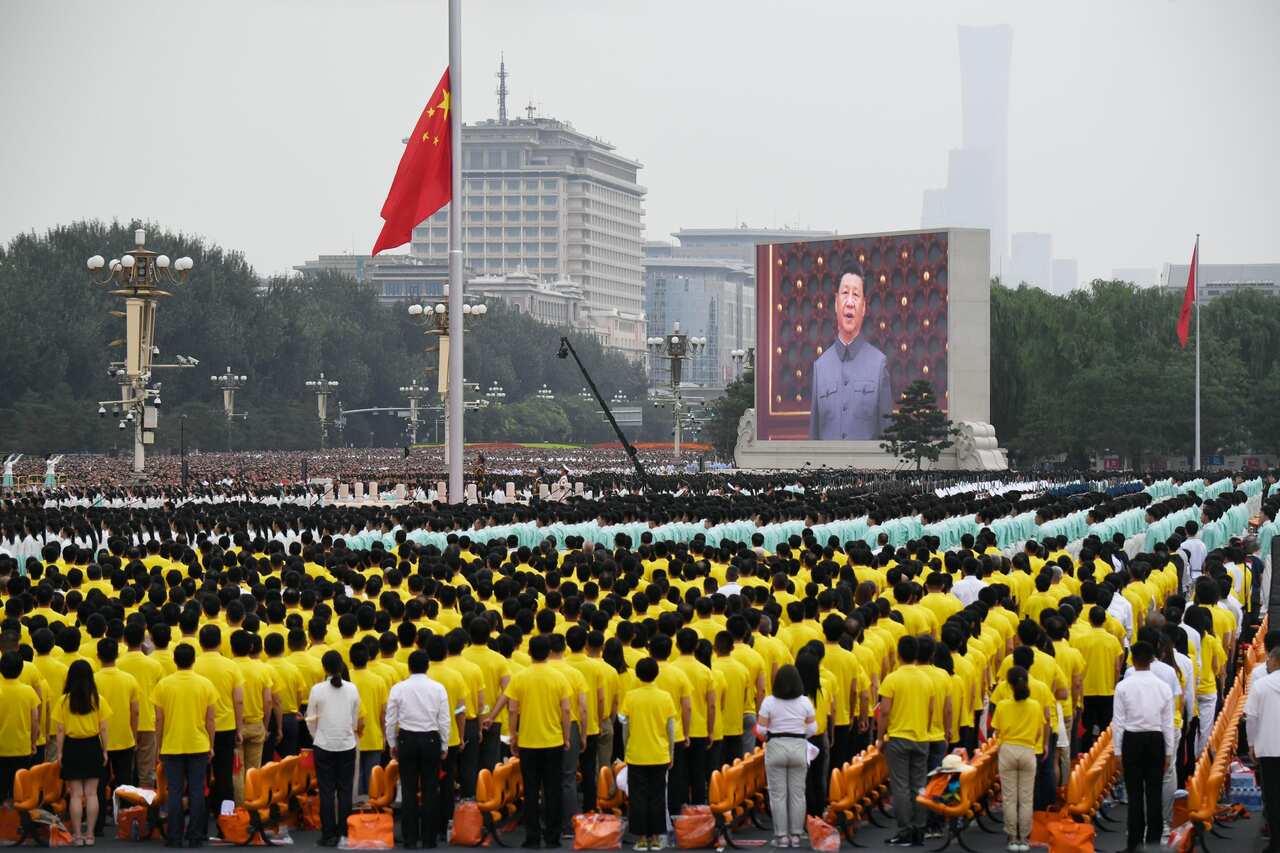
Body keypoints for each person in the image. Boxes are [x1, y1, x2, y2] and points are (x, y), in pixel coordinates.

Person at [491, 634, 573, 849]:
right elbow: (566, 710)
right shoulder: (559, 678)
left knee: (530, 790)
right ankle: (553, 836)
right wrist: (566, 736)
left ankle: (532, 837)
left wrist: (513, 736)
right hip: (553, 741)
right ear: (548, 653)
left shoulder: (520, 677)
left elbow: (513, 710)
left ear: (529, 653)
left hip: (528, 741)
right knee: (553, 789)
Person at [807, 267, 892, 441]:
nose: (850, 302)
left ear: (864, 308)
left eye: (856, 295)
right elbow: (814, 440)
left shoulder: (879, 364)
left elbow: (888, 439)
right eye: (845, 293)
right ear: (836, 303)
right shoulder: (820, 367)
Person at [152, 642, 219, 848]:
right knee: (197, 790)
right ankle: (196, 835)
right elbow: (210, 720)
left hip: (172, 745)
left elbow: (159, 720)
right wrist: (211, 744)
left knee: (174, 792)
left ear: (175, 661)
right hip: (198, 744)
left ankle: (174, 836)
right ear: (193, 660)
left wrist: (159, 746)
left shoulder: (163, 685)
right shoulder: (205, 684)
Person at [1112, 641, 1175, 853]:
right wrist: (1168, 751)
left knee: (1135, 794)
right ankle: (1154, 844)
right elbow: (1168, 723)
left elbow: (1118, 722)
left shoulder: (1123, 686)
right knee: (1154, 793)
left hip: (1131, 740)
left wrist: (1117, 752)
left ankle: (1134, 845)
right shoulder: (1163, 687)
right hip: (1156, 740)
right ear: (1152, 659)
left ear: (1132, 659)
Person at [385, 650, 451, 850]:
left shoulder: (398, 688)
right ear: (428, 666)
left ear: (409, 667)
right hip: (431, 739)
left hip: (407, 739)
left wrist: (392, 743)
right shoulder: (438, 688)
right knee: (431, 789)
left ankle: (410, 839)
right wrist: (444, 744)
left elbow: (391, 719)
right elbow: (444, 720)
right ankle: (429, 839)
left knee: (408, 790)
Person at [877, 635, 935, 847]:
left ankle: (904, 829)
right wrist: (925, 730)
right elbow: (930, 710)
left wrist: (879, 738)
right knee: (919, 785)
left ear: (899, 654)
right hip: (921, 737)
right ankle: (919, 827)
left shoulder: (892, 679)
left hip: (898, 738)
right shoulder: (927, 680)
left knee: (900, 786)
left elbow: (884, 711)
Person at [618, 657, 677, 852]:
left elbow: (625, 727)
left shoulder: (631, 697)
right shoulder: (665, 697)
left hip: (636, 754)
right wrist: (671, 752)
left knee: (638, 797)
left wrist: (626, 747)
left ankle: (642, 838)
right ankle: (656, 838)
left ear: (637, 674)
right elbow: (670, 728)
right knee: (658, 796)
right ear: (656, 674)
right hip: (659, 753)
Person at [305, 650, 364, 848]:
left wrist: (317, 735)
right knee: (345, 790)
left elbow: (310, 719)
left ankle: (328, 834)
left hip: (324, 745)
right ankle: (345, 831)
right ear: (341, 666)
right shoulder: (352, 689)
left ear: (324, 668)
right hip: (347, 744)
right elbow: (355, 719)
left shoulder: (317, 690)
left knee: (326, 791)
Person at [53, 659, 111, 846]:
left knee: (76, 794)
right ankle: (90, 835)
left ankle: (77, 835)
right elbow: (103, 729)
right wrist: (105, 750)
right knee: (92, 793)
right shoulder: (98, 699)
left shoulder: (63, 701)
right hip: (92, 746)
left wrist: (60, 753)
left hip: (72, 747)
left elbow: (60, 731)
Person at [758, 663, 816, 848]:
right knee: (798, 794)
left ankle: (782, 836)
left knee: (778, 795)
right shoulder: (805, 702)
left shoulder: (769, 702)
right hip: (798, 747)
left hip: (775, 747)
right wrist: (799, 734)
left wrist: (769, 735)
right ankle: (796, 836)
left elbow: (760, 729)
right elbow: (813, 728)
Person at [990, 667, 1048, 853]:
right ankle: (1024, 838)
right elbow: (1040, 731)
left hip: (1007, 750)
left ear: (1009, 684)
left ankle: (1012, 837)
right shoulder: (1035, 706)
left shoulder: (1002, 705)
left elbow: (996, 731)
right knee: (1025, 798)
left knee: (1009, 797)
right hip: (1028, 751)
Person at [93, 639, 140, 835]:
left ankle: (98, 826)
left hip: (98, 740)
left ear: (98, 656)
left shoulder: (93, 679)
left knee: (99, 783)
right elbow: (135, 711)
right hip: (124, 737)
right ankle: (125, 822)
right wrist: (134, 734)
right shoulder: (129, 679)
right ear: (117, 655)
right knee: (125, 781)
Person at [0, 651, 40, 804]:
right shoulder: (28, 691)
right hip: (22, 747)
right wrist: (33, 742)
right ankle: (21, 823)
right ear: (21, 669)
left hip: (1, 747)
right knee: (21, 791)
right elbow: (35, 720)